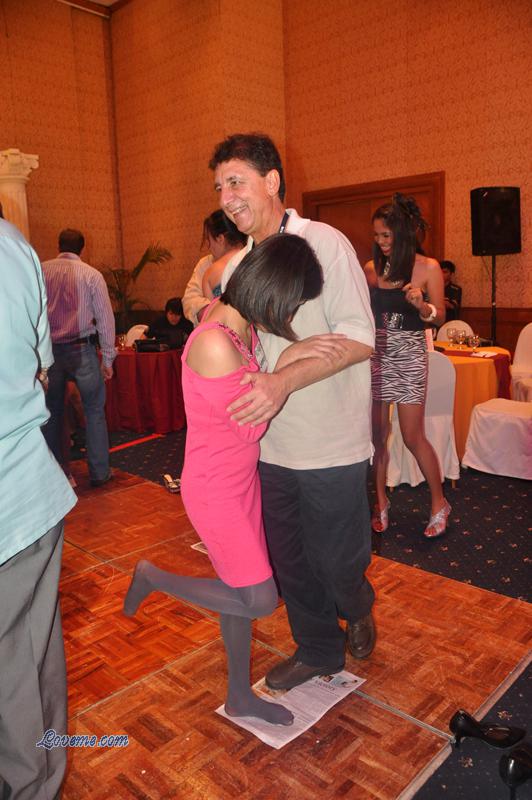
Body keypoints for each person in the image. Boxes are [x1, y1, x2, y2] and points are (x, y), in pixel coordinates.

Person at [124, 233, 332, 725]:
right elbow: (251, 424)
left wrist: (284, 365)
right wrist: (285, 372)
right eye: (292, 303)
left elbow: (251, 395)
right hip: (216, 489)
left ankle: (239, 696)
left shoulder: (233, 322)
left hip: (239, 482)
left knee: (237, 591)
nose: (290, 314)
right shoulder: (217, 343)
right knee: (259, 598)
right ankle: (152, 577)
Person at [209, 133, 376, 691]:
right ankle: (318, 650)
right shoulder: (238, 266)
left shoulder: (323, 243)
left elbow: (360, 337)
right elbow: (229, 342)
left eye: (236, 182)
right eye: (219, 187)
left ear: (272, 180)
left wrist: (284, 379)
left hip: (330, 442)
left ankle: (357, 602)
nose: (226, 197)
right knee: (292, 563)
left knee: (338, 563)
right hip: (267, 445)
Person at [0, 218, 77, 799]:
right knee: (27, 662)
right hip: (24, 490)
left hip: (15, 504)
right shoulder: (13, 246)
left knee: (19, 672)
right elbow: (42, 368)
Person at [364, 194, 451, 538]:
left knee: (413, 436)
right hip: (377, 352)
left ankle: (439, 502)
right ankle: (381, 502)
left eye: (386, 235)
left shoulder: (428, 267)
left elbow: (439, 318)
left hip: (410, 353)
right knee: (377, 436)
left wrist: (422, 305)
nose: (381, 242)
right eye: (376, 236)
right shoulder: (371, 269)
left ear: (402, 233)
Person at [42, 229, 116, 487]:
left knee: (52, 413)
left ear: (59, 245)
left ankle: (56, 474)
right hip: (82, 349)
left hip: (50, 351)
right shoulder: (91, 275)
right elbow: (105, 319)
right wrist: (108, 359)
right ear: (82, 248)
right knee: (94, 411)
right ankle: (99, 472)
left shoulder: (41, 271)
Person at [201, 209, 247, 299]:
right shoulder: (256, 255)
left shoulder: (210, 273)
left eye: (208, 239)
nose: (209, 247)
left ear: (220, 239)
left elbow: (212, 308)